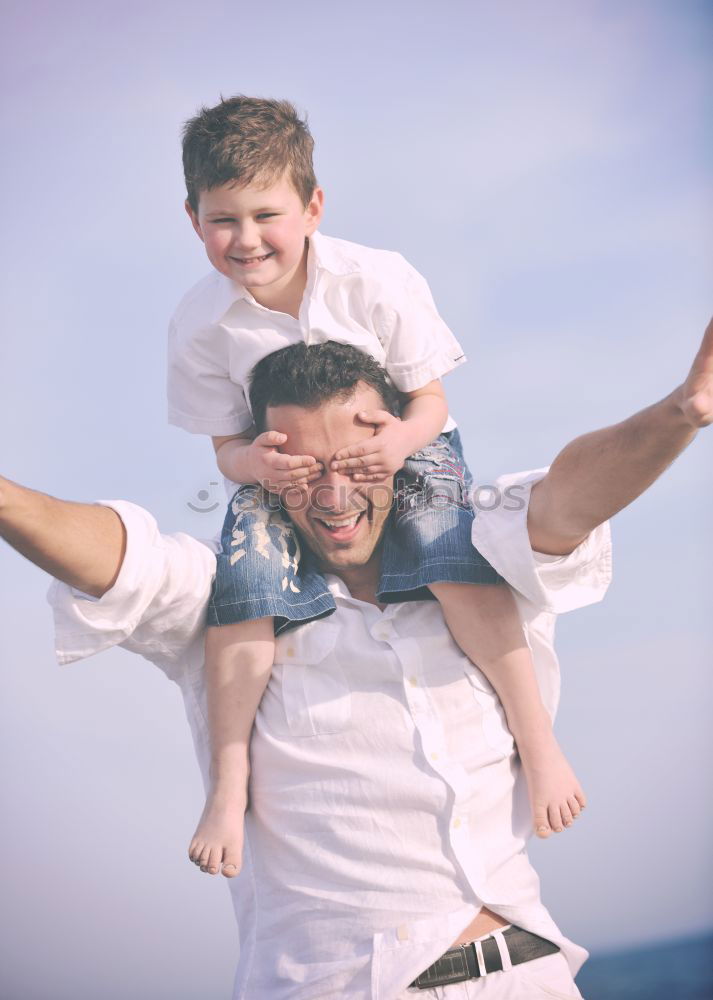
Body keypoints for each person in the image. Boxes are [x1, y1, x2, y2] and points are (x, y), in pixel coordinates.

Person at [2, 327, 711, 998]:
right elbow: (123, 558)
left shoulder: (480, 569)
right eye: (306, 469)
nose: (334, 497)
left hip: (529, 975)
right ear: (268, 466)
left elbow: (569, 500)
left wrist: (683, 410)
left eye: (352, 464)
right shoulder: (232, 607)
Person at [168, 95, 584, 879]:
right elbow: (224, 445)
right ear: (193, 219)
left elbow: (430, 402)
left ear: (312, 206)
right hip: (279, 472)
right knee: (244, 589)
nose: (247, 240)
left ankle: (540, 740)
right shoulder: (199, 324)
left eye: (267, 214)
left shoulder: (376, 279)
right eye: (223, 220)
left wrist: (394, 443)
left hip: (402, 447)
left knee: (446, 554)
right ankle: (227, 785)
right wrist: (255, 467)